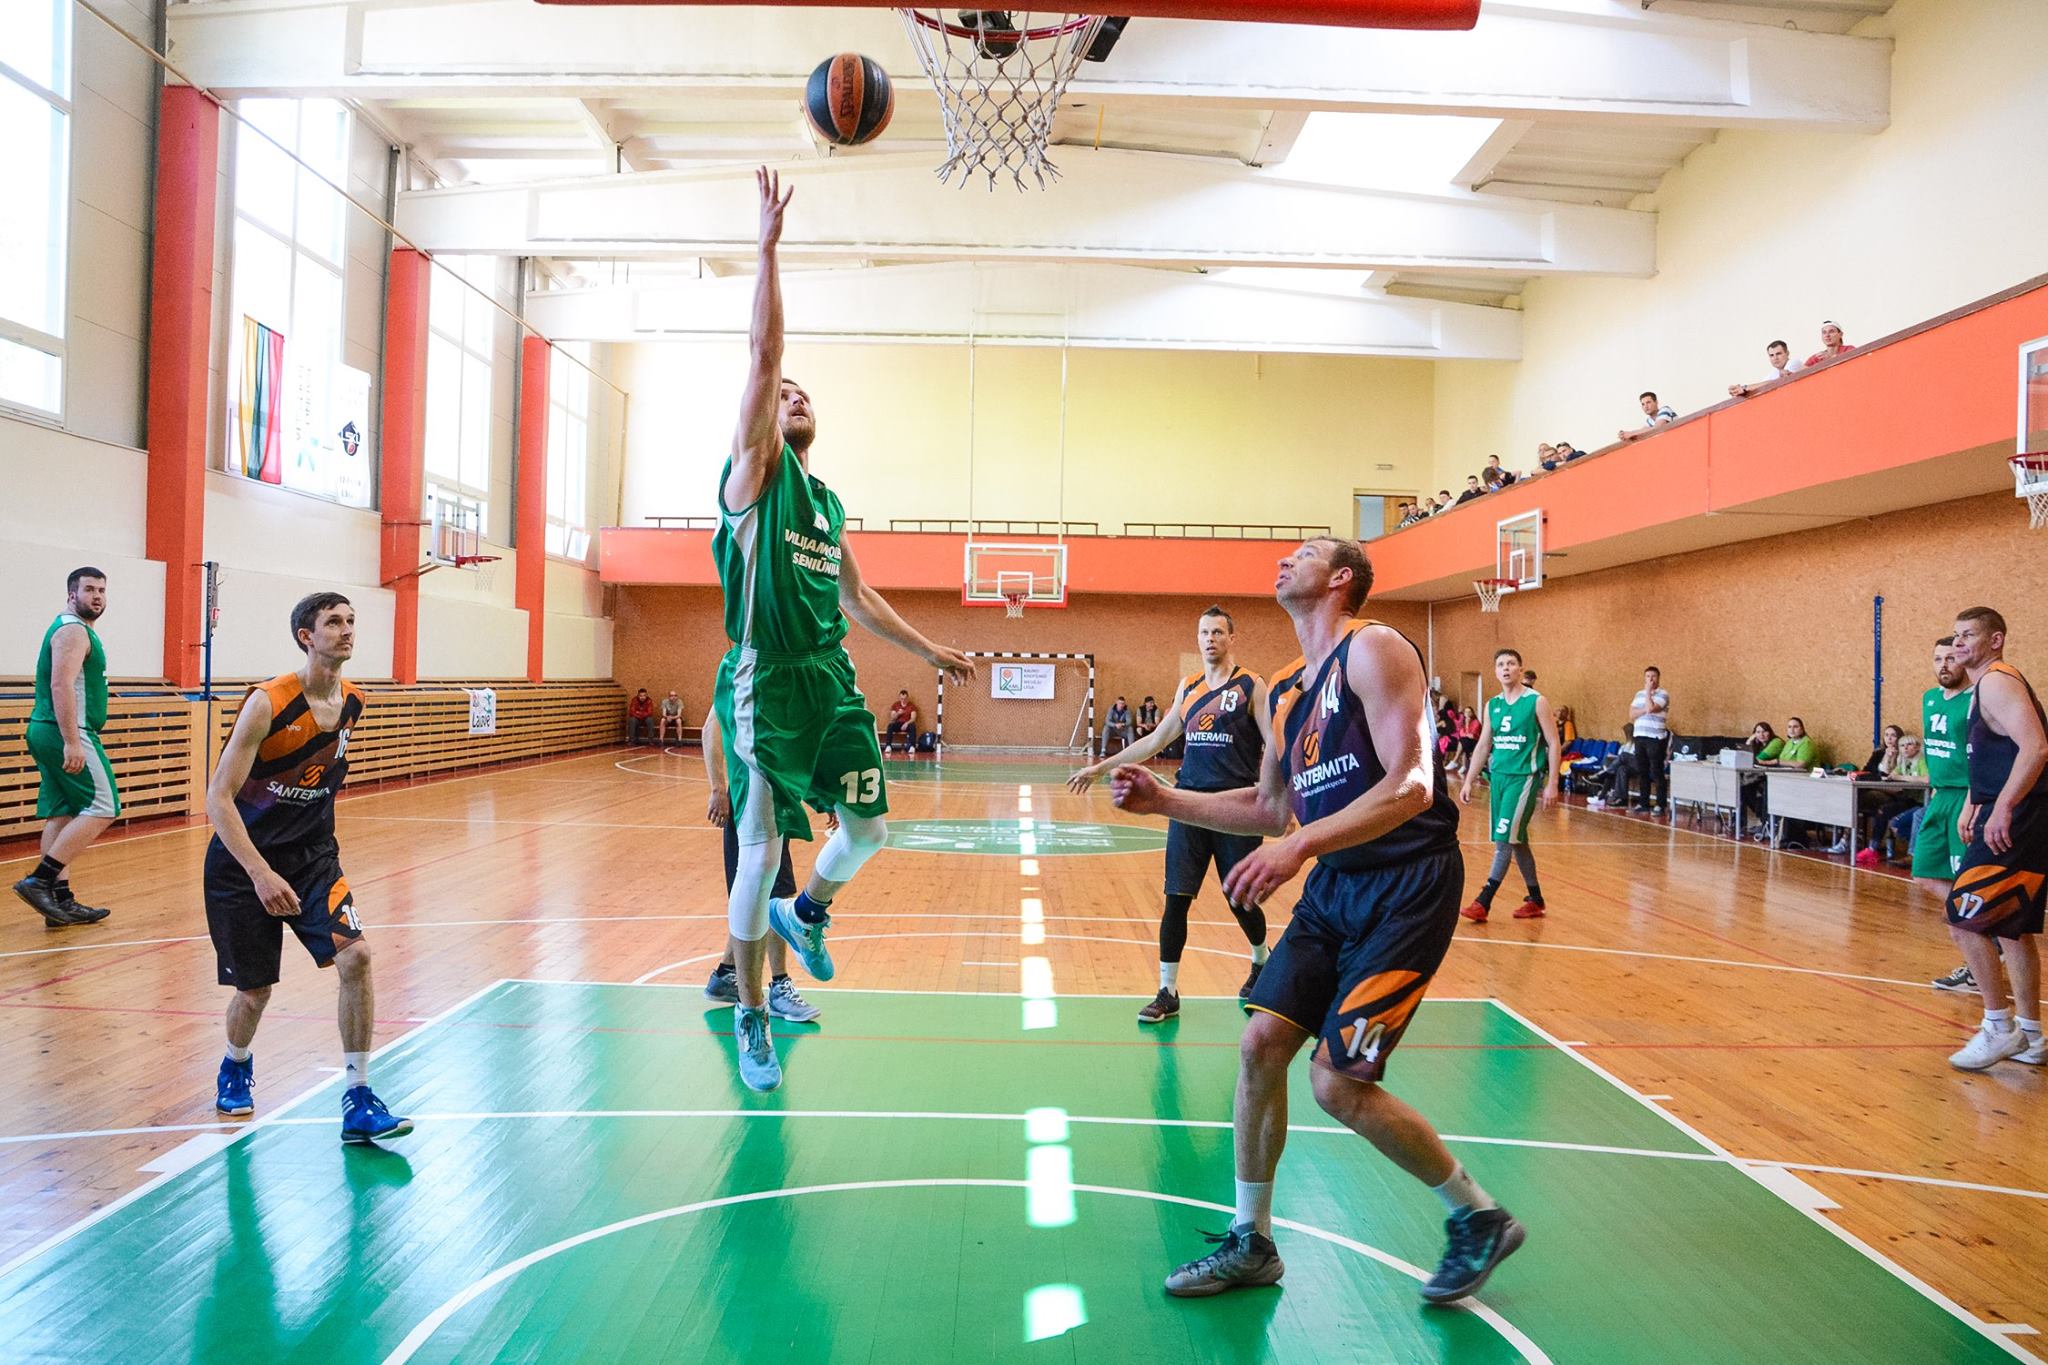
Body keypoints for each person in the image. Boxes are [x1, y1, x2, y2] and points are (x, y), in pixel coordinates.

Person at [1110, 537, 1524, 1306]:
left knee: (1336, 1082)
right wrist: (1164, 800)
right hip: (1337, 885)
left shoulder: (1375, 648)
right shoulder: (1287, 691)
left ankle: (1478, 1214)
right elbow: (1270, 808)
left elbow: (1412, 783)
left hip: (1408, 888)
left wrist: (1300, 845)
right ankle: (1252, 1241)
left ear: (1339, 578)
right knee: (1260, 1043)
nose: (1284, 560)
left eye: (1303, 552)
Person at [711, 167, 976, 1091]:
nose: (792, 397)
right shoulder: (756, 479)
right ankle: (752, 1013)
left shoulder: (826, 503)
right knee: (757, 853)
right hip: (767, 676)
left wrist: (931, 649)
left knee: (869, 830)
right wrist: (767, 249)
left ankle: (810, 912)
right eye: (781, 394)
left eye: (801, 395)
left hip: (831, 678)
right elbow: (762, 353)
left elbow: (859, 597)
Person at [203, 593, 411, 1143]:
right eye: (333, 622)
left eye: (351, 621)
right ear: (306, 636)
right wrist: (260, 874)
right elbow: (218, 798)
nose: (347, 630)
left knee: (356, 956)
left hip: (314, 859)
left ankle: (358, 1096)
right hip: (243, 864)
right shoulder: (268, 702)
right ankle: (235, 1064)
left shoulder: (353, 702)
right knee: (254, 991)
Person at [1068, 607, 1272, 1018]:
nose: (1210, 638)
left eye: (1218, 632)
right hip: (1187, 804)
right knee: (1175, 899)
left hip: (1234, 808)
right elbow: (1155, 740)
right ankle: (1167, 991)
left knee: (1240, 899)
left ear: (1232, 638)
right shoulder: (1189, 687)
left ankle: (1261, 961)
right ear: (1197, 639)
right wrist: (1101, 766)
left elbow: (1275, 746)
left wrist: (1278, 799)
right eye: (1204, 632)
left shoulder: (1252, 685)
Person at [1940, 606, 2047, 1070]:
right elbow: (1995, 756)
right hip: (2019, 812)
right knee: (2011, 927)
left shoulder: (1998, 681)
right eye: (1956, 635)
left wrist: (2001, 806)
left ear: (1996, 640)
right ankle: (2031, 1035)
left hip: (2018, 816)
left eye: (1968, 635)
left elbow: (2036, 747)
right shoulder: (1983, 686)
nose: (1958, 643)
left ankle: (1998, 1027)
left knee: (1963, 919)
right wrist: (1975, 800)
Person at [700, 708, 821, 1022]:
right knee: (772, 895)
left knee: (758, 894)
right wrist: (717, 788)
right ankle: (779, 986)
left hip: (775, 795)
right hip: (749, 797)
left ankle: (727, 974)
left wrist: (820, 797)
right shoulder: (743, 677)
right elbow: (712, 726)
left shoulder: (787, 686)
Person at [14, 568, 118, 927]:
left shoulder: (75, 628)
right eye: (89, 589)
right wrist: (73, 740)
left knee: (62, 812)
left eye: (102, 590)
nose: (97, 596)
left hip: (48, 730)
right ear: (72, 594)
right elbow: (61, 685)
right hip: (67, 731)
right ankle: (40, 881)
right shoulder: (73, 630)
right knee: (104, 806)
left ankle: (59, 902)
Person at [1459, 648, 1561, 923]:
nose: (1506, 668)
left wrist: (1553, 782)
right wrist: (1469, 780)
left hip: (1524, 779)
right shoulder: (1492, 705)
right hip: (1498, 778)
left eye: (1511, 663)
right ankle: (1535, 899)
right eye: (1501, 664)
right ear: (1495, 671)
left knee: (1504, 839)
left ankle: (1483, 901)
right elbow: (1483, 745)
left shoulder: (1536, 701)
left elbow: (1553, 743)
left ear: (1520, 669)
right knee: (1516, 841)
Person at [1921, 638, 1985, 993]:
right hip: (1940, 795)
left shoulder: (1976, 698)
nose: (1944, 664)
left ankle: (1976, 961)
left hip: (1966, 795)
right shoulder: (1929, 698)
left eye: (1950, 658)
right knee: (1925, 874)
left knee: (1966, 883)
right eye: (1937, 658)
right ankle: (1984, 939)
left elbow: (1981, 754)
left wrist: (1975, 801)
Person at [1625, 666, 1672, 813]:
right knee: (1642, 771)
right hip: (1640, 736)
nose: (1650, 679)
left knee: (1656, 771)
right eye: (1647, 676)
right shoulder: (1638, 694)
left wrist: (1648, 692)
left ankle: (1660, 804)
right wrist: (1644, 709)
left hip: (1655, 738)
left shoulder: (1663, 694)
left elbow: (1651, 708)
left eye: (1653, 676)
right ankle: (1643, 803)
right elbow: (1631, 715)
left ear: (1658, 678)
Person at [1729, 339, 1801, 397]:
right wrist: (1738, 391)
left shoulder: (1794, 362)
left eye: (1778, 354)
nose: (1775, 358)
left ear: (1787, 353)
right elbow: (1761, 387)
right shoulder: (1772, 374)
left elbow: (1778, 381)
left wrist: (1745, 387)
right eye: (1771, 355)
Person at [885, 689, 919, 755]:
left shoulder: (912, 706)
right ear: (899, 698)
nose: (903, 700)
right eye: (902, 699)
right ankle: (888, 746)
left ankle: (912, 747)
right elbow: (892, 718)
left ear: (907, 698)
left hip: (907, 724)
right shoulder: (896, 705)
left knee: (912, 726)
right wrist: (898, 713)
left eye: (905, 699)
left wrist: (906, 723)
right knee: (890, 726)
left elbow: (913, 718)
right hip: (898, 724)